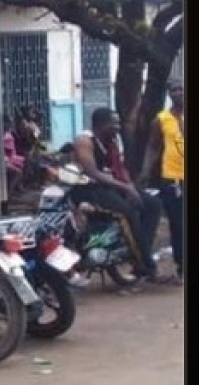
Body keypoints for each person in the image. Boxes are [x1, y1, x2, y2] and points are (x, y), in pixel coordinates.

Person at [70, 108, 170, 284]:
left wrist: (130, 186)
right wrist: (124, 187)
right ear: (101, 125)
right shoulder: (84, 141)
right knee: (127, 213)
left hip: (109, 186)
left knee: (152, 204)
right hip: (89, 190)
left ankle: (139, 249)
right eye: (114, 123)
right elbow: (93, 173)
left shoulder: (112, 141)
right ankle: (147, 267)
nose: (118, 126)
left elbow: (120, 168)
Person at [142, 81, 184, 281]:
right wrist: (144, 173)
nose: (177, 93)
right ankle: (182, 267)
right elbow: (153, 147)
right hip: (172, 178)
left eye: (181, 88)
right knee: (178, 224)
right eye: (173, 90)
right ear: (168, 94)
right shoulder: (161, 119)